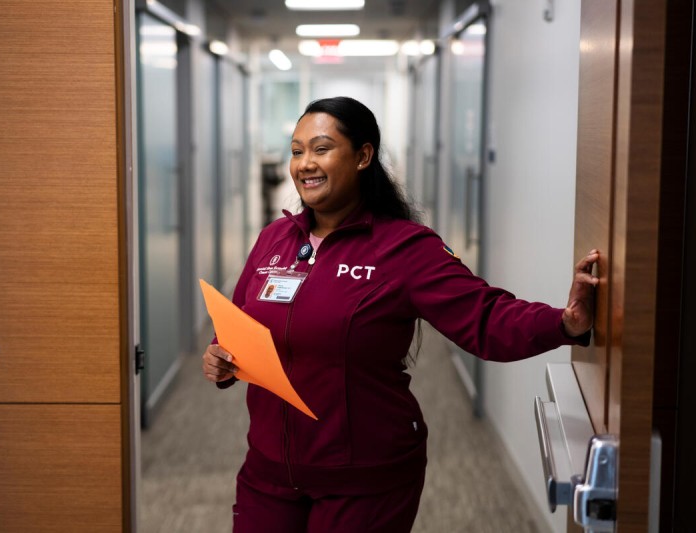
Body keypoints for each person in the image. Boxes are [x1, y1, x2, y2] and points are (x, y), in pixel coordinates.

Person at [202, 96, 599, 532]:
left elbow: (484, 318)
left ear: (363, 156)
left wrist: (564, 323)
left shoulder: (404, 247)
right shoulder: (275, 238)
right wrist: (221, 357)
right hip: (270, 471)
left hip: (364, 479)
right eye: (297, 151)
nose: (305, 164)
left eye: (321, 148)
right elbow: (239, 325)